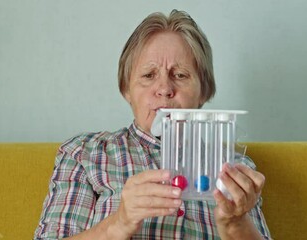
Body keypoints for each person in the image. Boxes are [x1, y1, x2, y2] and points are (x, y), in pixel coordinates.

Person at [34, 9, 271, 239]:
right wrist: (120, 223)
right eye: (149, 75)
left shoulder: (235, 168)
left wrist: (235, 224)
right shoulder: (84, 153)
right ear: (126, 89)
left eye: (180, 75)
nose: (165, 89)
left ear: (203, 91)